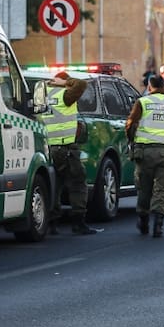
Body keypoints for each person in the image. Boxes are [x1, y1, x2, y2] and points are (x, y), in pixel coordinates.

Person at [41, 71, 98, 235]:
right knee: (78, 183)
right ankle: (78, 222)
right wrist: (65, 83)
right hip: (65, 148)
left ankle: (52, 223)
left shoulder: (42, 95)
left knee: (55, 185)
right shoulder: (65, 95)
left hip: (48, 148)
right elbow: (82, 84)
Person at [126, 75, 164, 238]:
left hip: (145, 151)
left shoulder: (143, 102)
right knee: (162, 189)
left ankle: (143, 221)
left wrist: (131, 140)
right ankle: (158, 225)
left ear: (149, 87)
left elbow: (130, 123)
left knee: (144, 187)